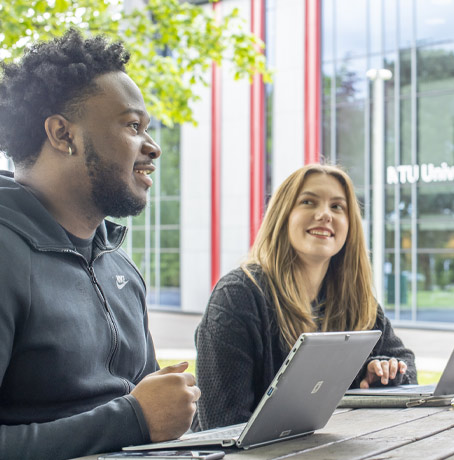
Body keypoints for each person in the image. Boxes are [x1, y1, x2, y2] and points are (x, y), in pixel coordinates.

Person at [0, 30, 200, 459]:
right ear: (61, 133)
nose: (154, 147)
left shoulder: (120, 268)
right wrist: (132, 420)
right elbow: (138, 417)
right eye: (132, 126)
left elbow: (151, 414)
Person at [195, 164, 417, 430]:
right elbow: (222, 427)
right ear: (283, 216)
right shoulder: (236, 297)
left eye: (337, 207)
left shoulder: (355, 300)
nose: (324, 214)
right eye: (308, 202)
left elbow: (408, 366)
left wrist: (383, 372)